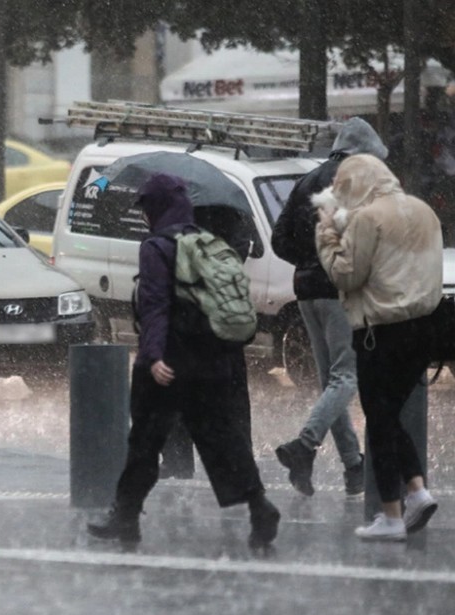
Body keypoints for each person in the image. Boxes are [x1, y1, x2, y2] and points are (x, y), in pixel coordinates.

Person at [88, 173, 279, 549]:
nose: (143, 217)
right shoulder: (207, 242)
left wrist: (153, 357)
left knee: (144, 441)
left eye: (145, 208)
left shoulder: (157, 247)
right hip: (213, 362)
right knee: (223, 440)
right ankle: (260, 506)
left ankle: (124, 518)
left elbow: (155, 307)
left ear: (155, 208)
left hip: (170, 365)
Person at [315, 154, 441, 541]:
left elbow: (346, 274)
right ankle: (416, 492)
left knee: (380, 420)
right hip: (424, 328)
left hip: (380, 332)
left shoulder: (369, 218)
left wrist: (327, 234)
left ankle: (392, 514)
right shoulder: (424, 211)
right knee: (389, 416)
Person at [270, 117, 387, 498]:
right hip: (339, 288)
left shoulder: (308, 179)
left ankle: (354, 466)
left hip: (305, 289)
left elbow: (279, 239)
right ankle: (304, 446)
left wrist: (308, 261)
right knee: (346, 375)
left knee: (330, 380)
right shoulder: (359, 180)